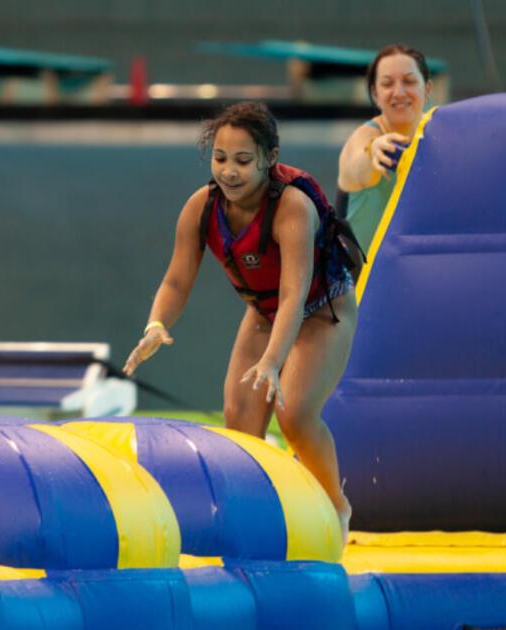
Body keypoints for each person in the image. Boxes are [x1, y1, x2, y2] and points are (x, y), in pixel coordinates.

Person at [123, 102, 356, 539]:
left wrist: (272, 361)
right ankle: (262, 518)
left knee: (297, 415)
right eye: (220, 158)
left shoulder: (292, 208)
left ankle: (336, 509)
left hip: (323, 309)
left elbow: (293, 295)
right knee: (240, 424)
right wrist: (156, 325)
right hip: (265, 311)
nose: (229, 172)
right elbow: (176, 281)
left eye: (243, 161)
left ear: (270, 157)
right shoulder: (201, 207)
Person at [337, 44, 433, 252]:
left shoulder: (439, 133)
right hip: (363, 276)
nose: (399, 92)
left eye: (409, 81)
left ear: (427, 88)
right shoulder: (365, 137)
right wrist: (373, 152)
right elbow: (358, 167)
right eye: (388, 84)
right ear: (375, 93)